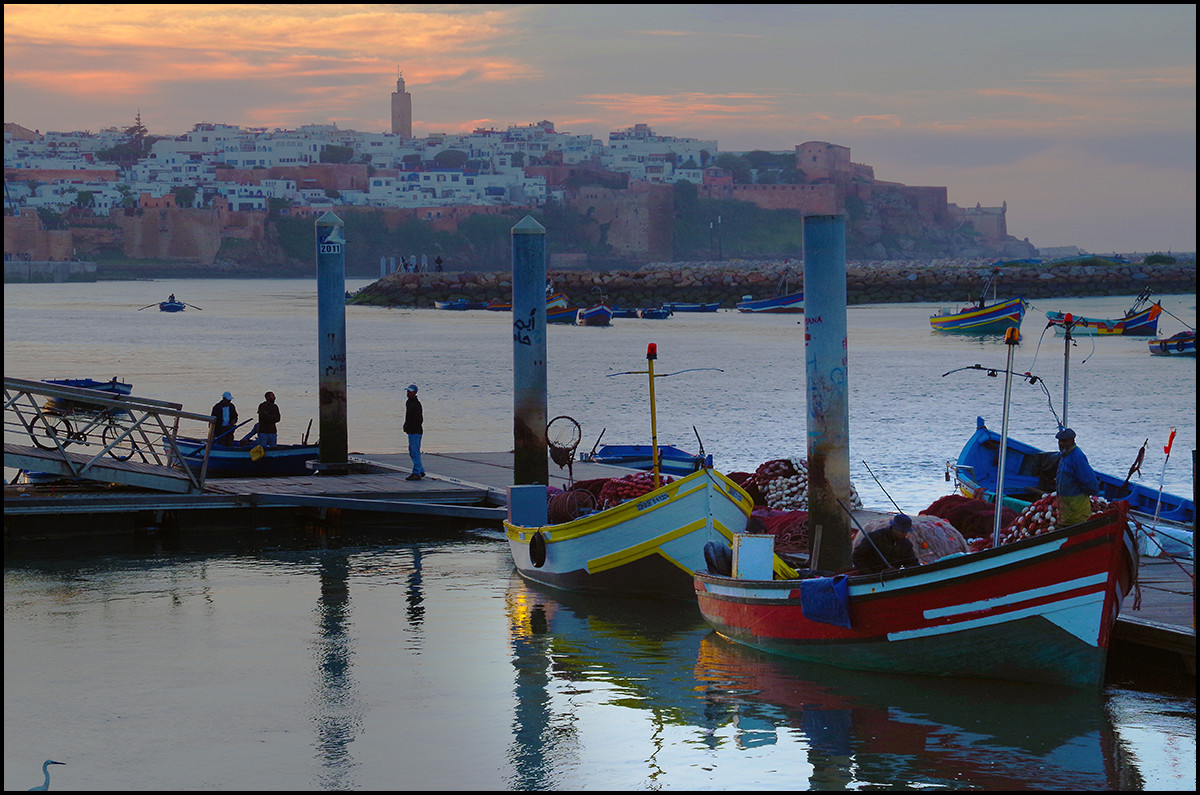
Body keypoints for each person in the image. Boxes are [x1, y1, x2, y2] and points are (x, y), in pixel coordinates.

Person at [1055, 428, 1099, 525]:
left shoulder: (1077, 457)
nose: (1061, 444)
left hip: (1077, 508)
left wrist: (1092, 494)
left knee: (1078, 526)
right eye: (1060, 441)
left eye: (1064, 441)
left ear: (1072, 441)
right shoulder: (1064, 456)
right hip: (1065, 509)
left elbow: (1090, 481)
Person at [851, 513, 919, 574]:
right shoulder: (875, 537)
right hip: (873, 575)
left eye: (907, 532)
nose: (905, 534)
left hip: (893, 577)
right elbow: (857, 556)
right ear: (894, 528)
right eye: (903, 532)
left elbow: (912, 563)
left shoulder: (906, 544)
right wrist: (868, 573)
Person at [403, 384, 425, 481]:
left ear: (415, 392)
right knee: (412, 451)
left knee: (414, 451)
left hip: (415, 431)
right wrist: (406, 425)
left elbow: (419, 419)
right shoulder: (409, 402)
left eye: (410, 391)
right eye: (408, 391)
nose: (408, 393)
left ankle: (416, 472)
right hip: (411, 430)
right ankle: (420, 470)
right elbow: (408, 416)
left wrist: (411, 428)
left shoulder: (416, 404)